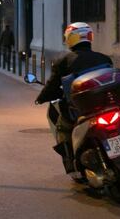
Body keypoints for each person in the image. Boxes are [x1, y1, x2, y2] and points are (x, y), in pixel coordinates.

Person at [35, 22, 113, 173]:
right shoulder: (105, 59)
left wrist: (41, 98)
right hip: (105, 106)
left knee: (62, 128)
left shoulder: (64, 61)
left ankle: (70, 162)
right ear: (90, 37)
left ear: (70, 39)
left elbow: (53, 85)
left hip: (79, 110)